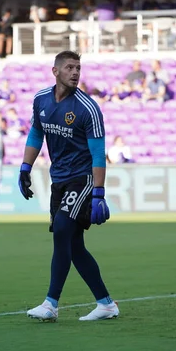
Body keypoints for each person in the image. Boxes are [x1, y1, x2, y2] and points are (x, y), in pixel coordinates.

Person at [19, 50, 118, 322]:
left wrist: (99, 193)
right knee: (73, 246)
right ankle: (106, 304)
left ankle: (51, 303)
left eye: (78, 68)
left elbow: (98, 154)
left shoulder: (87, 108)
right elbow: (36, 132)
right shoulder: (41, 99)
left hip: (83, 178)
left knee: (62, 229)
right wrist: (25, 167)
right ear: (56, 71)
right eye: (70, 67)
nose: (76, 73)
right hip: (59, 180)